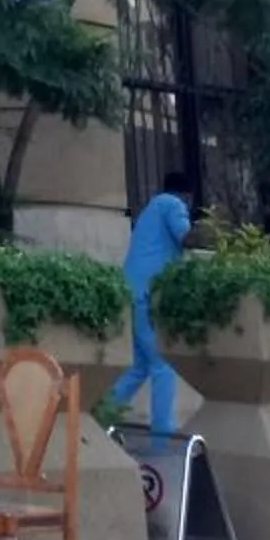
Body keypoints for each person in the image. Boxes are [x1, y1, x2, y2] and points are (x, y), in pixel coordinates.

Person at [108, 169, 193, 438]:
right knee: (163, 364)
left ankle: (101, 415)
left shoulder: (150, 209)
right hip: (147, 294)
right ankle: (163, 437)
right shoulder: (173, 204)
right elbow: (186, 237)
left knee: (140, 367)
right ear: (187, 195)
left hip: (131, 292)